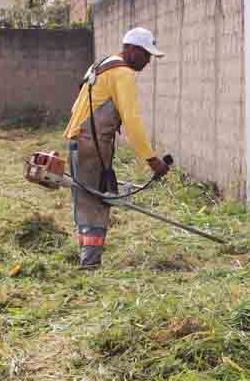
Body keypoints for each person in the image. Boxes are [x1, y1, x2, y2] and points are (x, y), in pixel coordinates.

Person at [63, 27, 170, 270]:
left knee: (86, 200)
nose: (148, 61)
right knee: (97, 202)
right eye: (146, 54)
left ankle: (87, 259)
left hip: (77, 141)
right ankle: (90, 265)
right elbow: (131, 120)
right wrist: (152, 160)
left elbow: (77, 103)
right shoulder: (122, 73)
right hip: (92, 145)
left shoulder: (101, 65)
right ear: (131, 50)